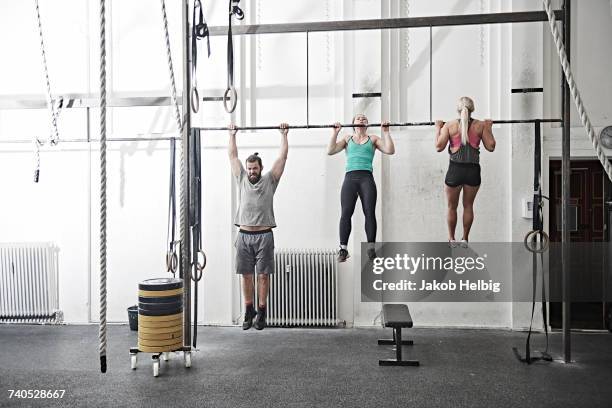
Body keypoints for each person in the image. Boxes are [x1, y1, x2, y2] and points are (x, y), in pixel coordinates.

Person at [228, 123, 289, 330]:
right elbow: (233, 157)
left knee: (263, 275)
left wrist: (284, 135)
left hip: (264, 235)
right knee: (246, 275)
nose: (252, 171)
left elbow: (282, 159)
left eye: (255, 168)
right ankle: (248, 310)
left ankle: (262, 312)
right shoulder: (242, 178)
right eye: (250, 168)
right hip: (244, 235)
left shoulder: (270, 180)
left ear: (261, 168)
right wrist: (232, 135)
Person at [327, 114, 395, 262]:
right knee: (346, 213)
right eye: (358, 118)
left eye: (364, 118)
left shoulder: (373, 139)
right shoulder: (347, 139)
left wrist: (386, 132)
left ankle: (371, 247)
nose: (362, 119)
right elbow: (330, 150)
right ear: (353, 124)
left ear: (367, 124)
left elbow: (390, 150)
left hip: (366, 179)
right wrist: (335, 133)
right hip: (350, 179)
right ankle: (343, 249)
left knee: (369, 212)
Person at [434, 97, 496, 246]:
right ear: (472, 109)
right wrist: (489, 127)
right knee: (468, 206)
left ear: (458, 110)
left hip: (455, 170)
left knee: (451, 206)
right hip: (473, 171)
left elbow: (438, 147)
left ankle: (451, 238)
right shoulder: (481, 126)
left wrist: (438, 128)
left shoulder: (449, 126)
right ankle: (465, 239)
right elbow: (491, 146)